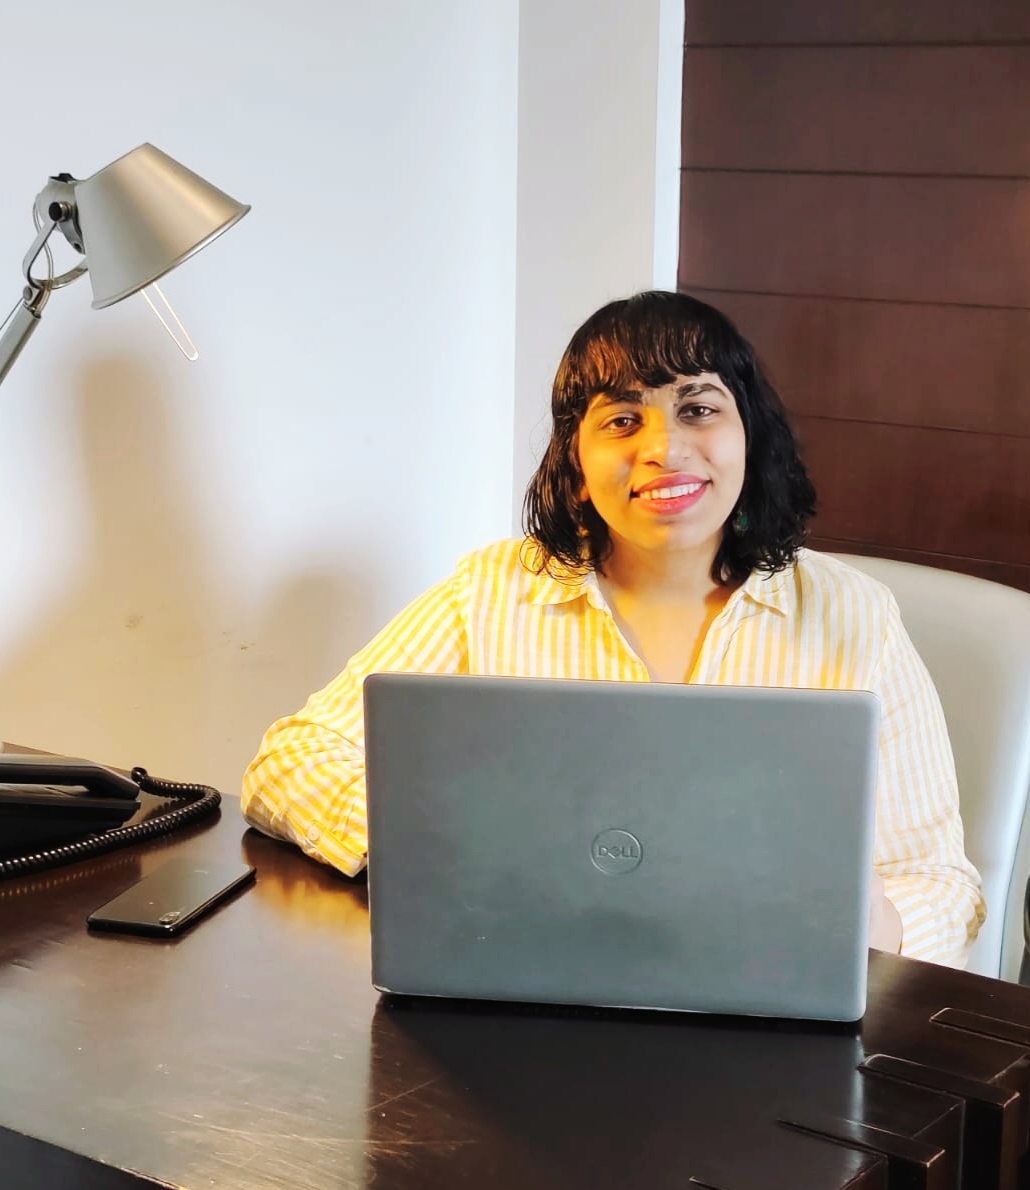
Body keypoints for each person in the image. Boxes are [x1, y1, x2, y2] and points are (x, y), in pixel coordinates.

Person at [242, 290, 985, 967]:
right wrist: (431, 847)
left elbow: (938, 881)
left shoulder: (854, 613)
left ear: (749, 433)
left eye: (698, 408)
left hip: (766, 1005)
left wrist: (874, 931)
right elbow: (291, 763)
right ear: (576, 454)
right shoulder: (494, 590)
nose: (662, 448)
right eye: (622, 420)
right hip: (529, 979)